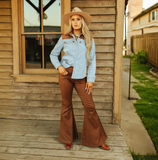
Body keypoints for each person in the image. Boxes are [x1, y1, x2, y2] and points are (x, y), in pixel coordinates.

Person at [49, 7, 110, 151]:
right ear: (70, 22)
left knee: (90, 106)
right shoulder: (64, 38)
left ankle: (98, 140)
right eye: (73, 19)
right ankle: (67, 138)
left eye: (78, 19)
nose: (75, 22)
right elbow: (53, 54)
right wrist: (59, 67)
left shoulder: (89, 39)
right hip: (65, 77)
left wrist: (90, 79)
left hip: (81, 78)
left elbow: (93, 61)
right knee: (66, 106)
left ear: (82, 21)